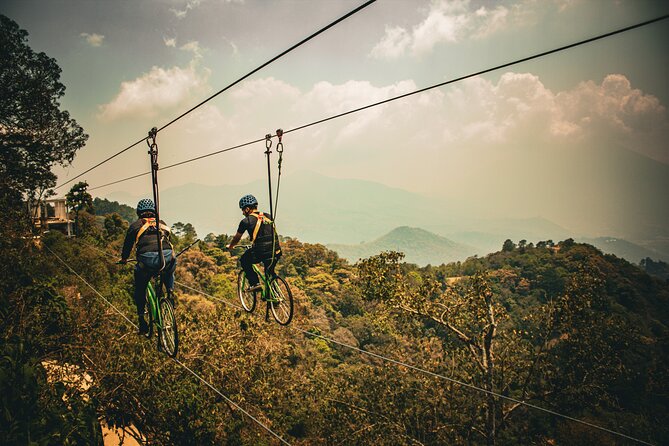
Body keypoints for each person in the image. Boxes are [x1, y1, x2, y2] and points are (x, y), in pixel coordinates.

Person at [119, 198, 176, 334]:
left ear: (139, 213)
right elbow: (169, 241)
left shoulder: (135, 226)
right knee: (170, 270)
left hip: (147, 261)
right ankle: (170, 290)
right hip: (167, 257)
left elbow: (127, 246)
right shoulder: (162, 224)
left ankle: (142, 320)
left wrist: (124, 259)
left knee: (139, 287)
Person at [227, 194, 281, 294]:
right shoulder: (268, 216)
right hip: (276, 250)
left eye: (243, 210)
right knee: (269, 272)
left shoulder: (245, 221)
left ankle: (255, 283)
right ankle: (275, 297)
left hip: (262, 251)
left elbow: (237, 237)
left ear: (247, 209)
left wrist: (231, 246)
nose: (243, 213)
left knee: (244, 260)